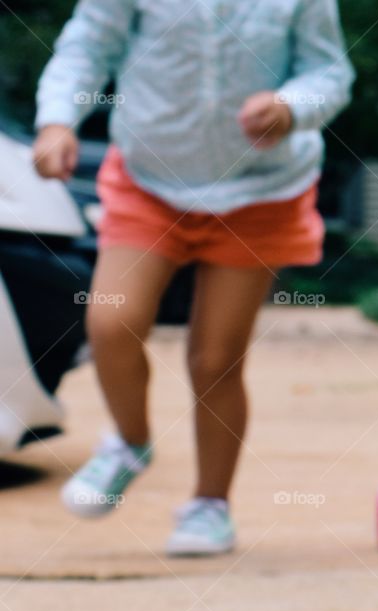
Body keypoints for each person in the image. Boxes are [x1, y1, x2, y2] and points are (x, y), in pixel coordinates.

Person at [33, 0, 354, 555]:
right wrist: (58, 119)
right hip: (149, 180)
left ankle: (210, 505)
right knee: (112, 321)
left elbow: (329, 71)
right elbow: (88, 45)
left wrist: (291, 105)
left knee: (215, 360)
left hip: (259, 189)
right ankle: (130, 444)